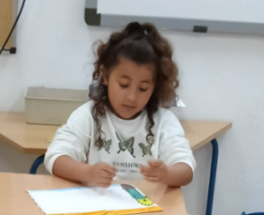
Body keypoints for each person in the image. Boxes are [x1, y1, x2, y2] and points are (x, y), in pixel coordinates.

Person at [45, 21, 195, 188]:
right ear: (105, 77)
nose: (132, 97)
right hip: (98, 202)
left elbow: (186, 169)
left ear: (155, 87)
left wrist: (167, 174)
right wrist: (88, 173)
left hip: (147, 203)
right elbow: (55, 157)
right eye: (124, 85)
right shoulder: (89, 115)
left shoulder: (164, 121)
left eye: (143, 88)